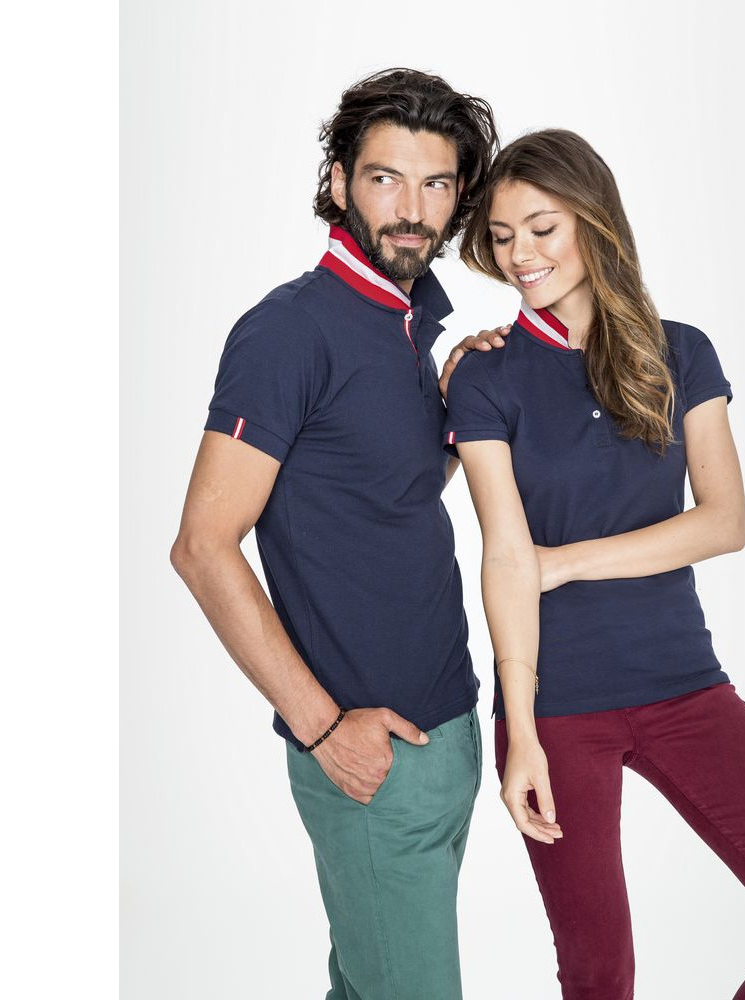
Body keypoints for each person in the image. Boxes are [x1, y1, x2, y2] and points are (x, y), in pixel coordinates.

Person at [170, 68, 509, 1000]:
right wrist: (324, 729)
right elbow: (202, 545)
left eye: (436, 184)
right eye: (385, 178)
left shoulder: (411, 319)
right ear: (338, 182)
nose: (412, 209)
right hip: (368, 755)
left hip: (445, 728)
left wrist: (455, 406)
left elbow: (382, 493)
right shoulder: (290, 331)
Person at [442, 129, 745, 1000]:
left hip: (687, 682)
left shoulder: (683, 352)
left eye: (542, 229)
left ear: (594, 222)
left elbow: (724, 522)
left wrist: (564, 563)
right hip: (558, 707)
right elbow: (504, 557)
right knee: (599, 973)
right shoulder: (485, 377)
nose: (520, 255)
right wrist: (521, 729)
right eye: (502, 236)